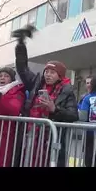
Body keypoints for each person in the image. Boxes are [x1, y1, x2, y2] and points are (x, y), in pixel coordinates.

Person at [15, 36, 79, 167]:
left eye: (52, 72)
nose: (48, 75)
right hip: (29, 135)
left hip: (50, 140)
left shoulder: (67, 91)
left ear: (60, 76)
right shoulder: (36, 83)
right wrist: (21, 46)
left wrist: (54, 109)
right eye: (46, 72)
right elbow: (23, 69)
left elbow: (73, 115)